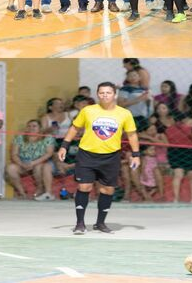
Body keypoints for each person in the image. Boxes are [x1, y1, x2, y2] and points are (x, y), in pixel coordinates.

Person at [57, 82, 139, 234]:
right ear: (97, 94)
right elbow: (75, 128)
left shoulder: (124, 113)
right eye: (101, 93)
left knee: (107, 190)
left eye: (108, 93)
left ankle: (100, 223)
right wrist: (64, 146)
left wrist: (136, 155)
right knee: (84, 187)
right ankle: (80, 223)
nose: (105, 95)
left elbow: (132, 134)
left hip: (111, 156)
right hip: (87, 154)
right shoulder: (88, 110)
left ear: (114, 95)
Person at [6, 119, 55, 200]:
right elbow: (14, 154)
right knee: (10, 168)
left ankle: (40, 188)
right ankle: (22, 192)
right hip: (23, 162)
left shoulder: (47, 138)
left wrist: (33, 163)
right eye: (29, 126)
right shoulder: (20, 137)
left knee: (38, 167)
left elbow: (49, 153)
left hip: (39, 161)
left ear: (40, 128)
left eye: (34, 126)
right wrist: (21, 164)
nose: (31, 128)